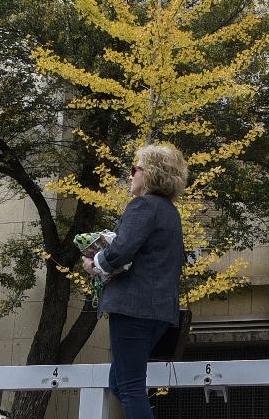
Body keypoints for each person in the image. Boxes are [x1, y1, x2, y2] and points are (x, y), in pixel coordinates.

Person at [82, 143, 186, 419]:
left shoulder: (143, 206)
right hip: (160, 310)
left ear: (149, 173)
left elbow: (121, 250)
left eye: (134, 169)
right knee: (118, 383)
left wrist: (95, 264)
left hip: (133, 307)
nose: (130, 176)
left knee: (129, 387)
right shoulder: (169, 212)